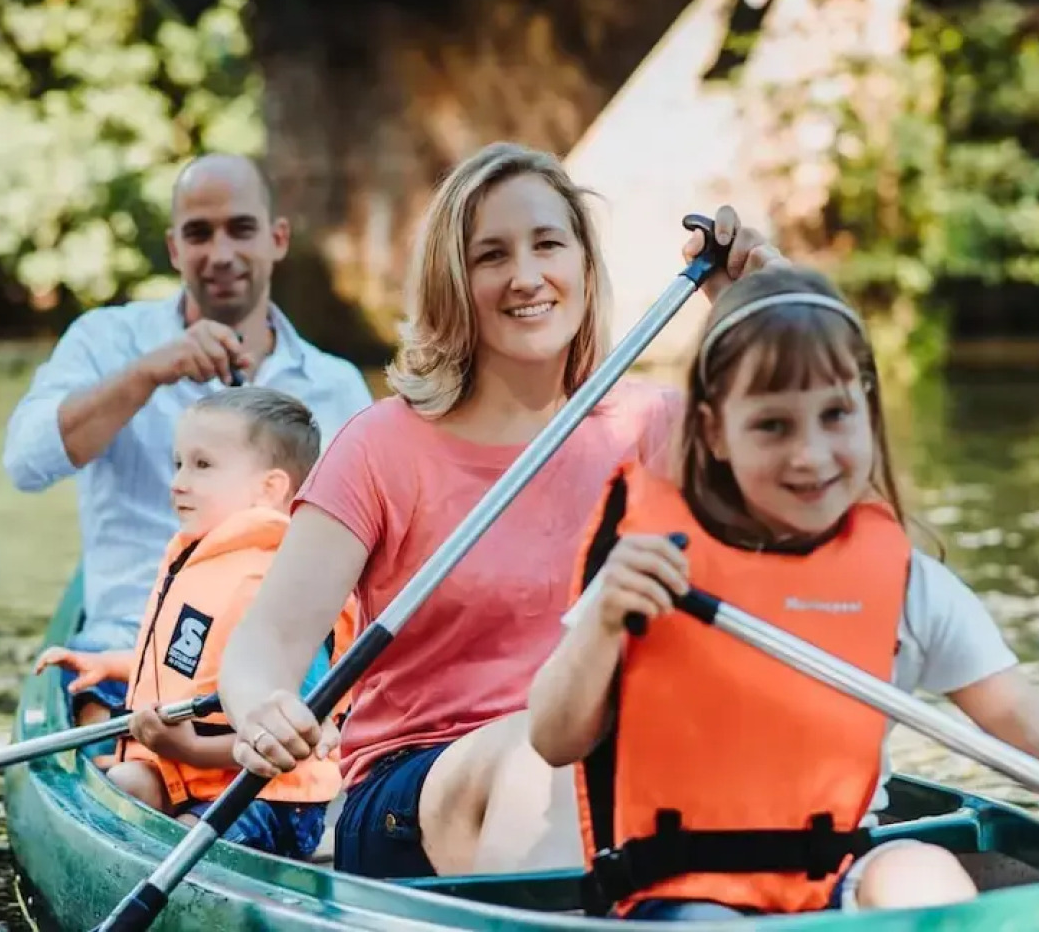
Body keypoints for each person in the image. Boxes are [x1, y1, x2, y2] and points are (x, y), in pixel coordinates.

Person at [216, 141, 784, 879]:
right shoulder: (381, 446)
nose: (525, 277)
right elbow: (266, 643)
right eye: (491, 256)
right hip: (418, 787)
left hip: (629, 765)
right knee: (540, 761)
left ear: (583, 265)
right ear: (454, 281)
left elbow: (823, 511)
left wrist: (769, 315)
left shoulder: (660, 427)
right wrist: (263, 706)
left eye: (548, 244)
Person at [526, 265, 1039, 920]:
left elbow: (1025, 719)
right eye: (773, 426)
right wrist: (605, 622)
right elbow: (552, 738)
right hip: (684, 892)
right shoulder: (653, 565)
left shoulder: (910, 585)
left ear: (867, 406)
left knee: (925, 872)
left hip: (831, 879)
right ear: (716, 432)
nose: (811, 455)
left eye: (835, 415)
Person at [4, 153, 372, 731]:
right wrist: (146, 374)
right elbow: (26, 464)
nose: (221, 254)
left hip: (283, 658)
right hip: (129, 649)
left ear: (277, 239)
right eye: (199, 234)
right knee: (124, 765)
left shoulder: (336, 385)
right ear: (175, 250)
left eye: (241, 230)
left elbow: (371, 548)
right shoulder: (109, 340)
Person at [39, 387, 354, 857]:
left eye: (202, 466)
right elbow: (192, 664)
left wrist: (185, 748)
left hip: (269, 797)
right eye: (178, 463)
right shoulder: (203, 558)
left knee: (187, 843)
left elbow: (298, 740)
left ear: (268, 488)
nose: (178, 482)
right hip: (187, 770)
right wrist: (113, 665)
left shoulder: (277, 586)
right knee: (121, 784)